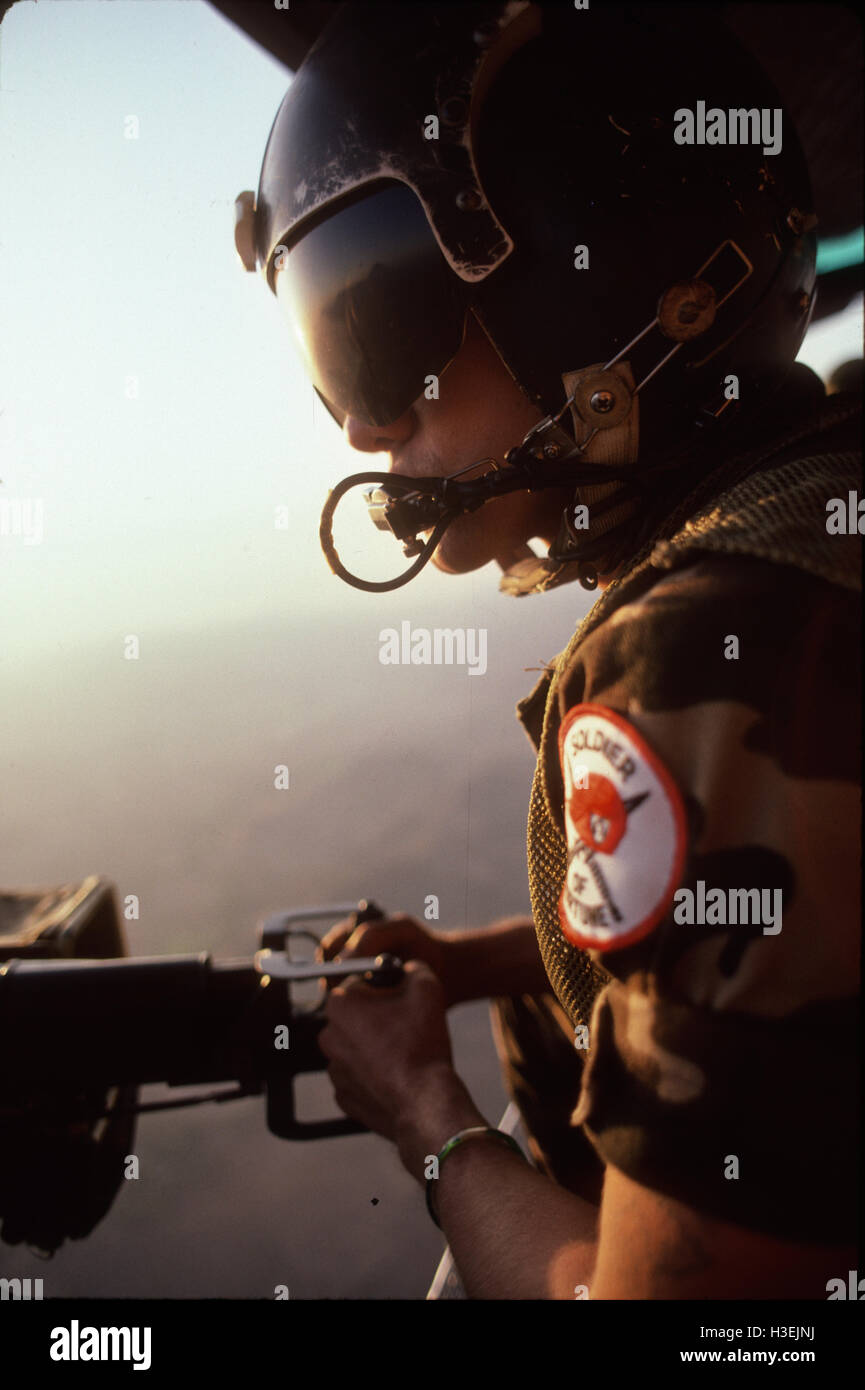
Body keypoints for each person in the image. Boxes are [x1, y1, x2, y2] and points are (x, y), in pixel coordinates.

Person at [235, 1, 861, 1297]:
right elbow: (778, 928)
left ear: (587, 282)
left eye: (380, 335)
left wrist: (425, 1116)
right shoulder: (818, 511)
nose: (363, 431)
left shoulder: (704, 650)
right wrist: (470, 963)